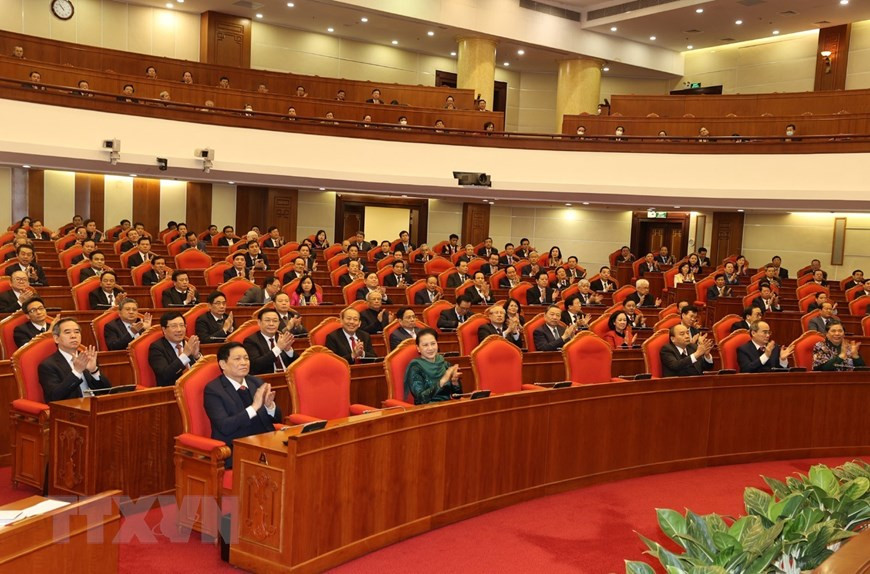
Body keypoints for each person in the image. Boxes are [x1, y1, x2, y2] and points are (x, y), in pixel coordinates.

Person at [204, 342, 282, 469]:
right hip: (236, 449)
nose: (244, 362)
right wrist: (254, 408)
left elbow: (277, 419)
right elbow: (225, 427)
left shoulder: (256, 382)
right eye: (237, 359)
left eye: (246, 358)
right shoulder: (214, 390)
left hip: (266, 444)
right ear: (223, 364)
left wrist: (270, 406)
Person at [39, 319, 111, 402]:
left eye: (77, 332)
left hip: (95, 405)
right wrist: (77, 372)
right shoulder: (48, 365)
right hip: (71, 410)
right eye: (67, 332)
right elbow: (54, 396)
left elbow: (106, 391)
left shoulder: (88, 357)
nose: (73, 336)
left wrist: (93, 370)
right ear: (56, 338)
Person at [404, 328, 462, 405]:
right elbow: (421, 399)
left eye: (433, 343)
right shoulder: (415, 367)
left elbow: (457, 396)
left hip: (447, 407)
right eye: (425, 345)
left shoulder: (444, 364)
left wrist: (454, 382)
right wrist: (442, 381)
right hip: (427, 410)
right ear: (418, 348)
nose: (430, 348)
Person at [148, 312, 201, 387]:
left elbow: (202, 373)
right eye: (174, 326)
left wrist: (197, 356)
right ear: (164, 329)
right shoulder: (156, 348)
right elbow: (164, 375)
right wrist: (185, 355)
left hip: (195, 387)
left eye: (182, 325)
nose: (179, 330)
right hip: (171, 391)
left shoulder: (190, 343)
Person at [243, 310, 296, 375]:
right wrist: (278, 348)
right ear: (259, 322)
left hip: (287, 377)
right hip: (268, 380)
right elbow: (255, 366)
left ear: (279, 323)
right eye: (267, 320)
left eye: (275, 321)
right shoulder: (251, 341)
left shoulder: (281, 337)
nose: (271, 324)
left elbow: (297, 364)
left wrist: (288, 351)